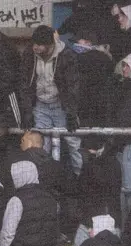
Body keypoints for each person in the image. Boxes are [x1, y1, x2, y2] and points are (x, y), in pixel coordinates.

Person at [21, 25, 84, 170]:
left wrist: (71, 113)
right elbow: (24, 84)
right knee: (41, 146)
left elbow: (73, 86)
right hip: (40, 106)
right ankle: (43, 182)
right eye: (34, 43)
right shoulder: (29, 54)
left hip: (61, 106)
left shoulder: (66, 55)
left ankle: (81, 178)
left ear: (50, 45)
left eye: (39, 45)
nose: (35, 47)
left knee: (74, 144)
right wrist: (27, 110)